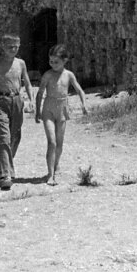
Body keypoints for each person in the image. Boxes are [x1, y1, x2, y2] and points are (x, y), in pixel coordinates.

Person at [0, 33, 34, 190]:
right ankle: (6, 175)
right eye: (10, 47)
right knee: (4, 137)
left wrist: (31, 100)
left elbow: (27, 83)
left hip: (17, 101)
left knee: (16, 137)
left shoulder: (21, 63)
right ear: (3, 47)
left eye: (16, 47)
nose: (13, 49)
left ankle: (5, 166)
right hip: (1, 101)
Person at [34, 44, 88, 185]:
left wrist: (84, 104)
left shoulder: (69, 75)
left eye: (56, 62)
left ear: (65, 60)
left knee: (59, 143)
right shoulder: (47, 75)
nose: (53, 64)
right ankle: (50, 174)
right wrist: (37, 111)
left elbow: (79, 90)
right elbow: (40, 93)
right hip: (48, 109)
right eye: (51, 61)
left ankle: (56, 163)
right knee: (51, 142)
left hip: (62, 109)